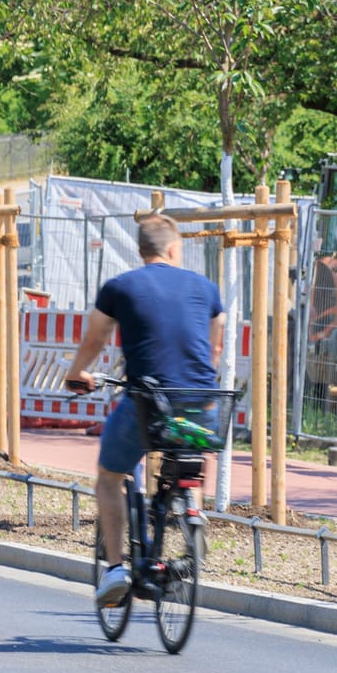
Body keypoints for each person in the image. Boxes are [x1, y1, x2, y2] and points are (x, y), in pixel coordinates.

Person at [64, 214, 224, 609]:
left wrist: (76, 373)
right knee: (189, 454)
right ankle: (194, 511)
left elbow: (94, 338)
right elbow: (215, 348)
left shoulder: (120, 287)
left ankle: (116, 568)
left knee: (109, 474)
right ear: (174, 249)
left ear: (141, 251)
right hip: (200, 404)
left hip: (147, 404)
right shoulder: (206, 289)